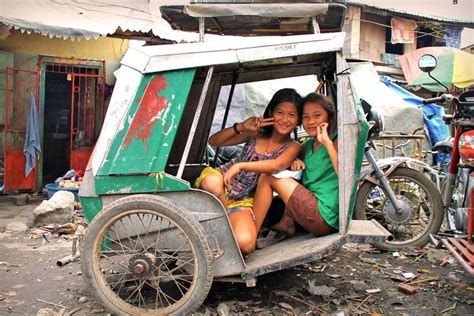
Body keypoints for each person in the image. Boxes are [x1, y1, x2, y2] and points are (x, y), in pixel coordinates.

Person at [195, 88, 303, 254]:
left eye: (292, 115)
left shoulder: (294, 146)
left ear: (298, 120)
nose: (284, 119)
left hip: (243, 200)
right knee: (212, 183)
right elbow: (214, 141)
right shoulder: (255, 133)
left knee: (246, 244)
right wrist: (241, 127)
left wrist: (240, 165)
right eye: (280, 112)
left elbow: (275, 165)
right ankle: (224, 230)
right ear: (270, 112)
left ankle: (222, 231)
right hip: (221, 181)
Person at [250, 92, 339, 249]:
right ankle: (286, 224)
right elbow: (283, 160)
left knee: (267, 178)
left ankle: (251, 237)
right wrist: (295, 160)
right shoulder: (308, 146)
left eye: (317, 115)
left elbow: (345, 175)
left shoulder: (335, 142)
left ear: (329, 118)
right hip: (310, 210)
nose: (311, 121)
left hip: (324, 216)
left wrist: (327, 143)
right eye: (305, 117)